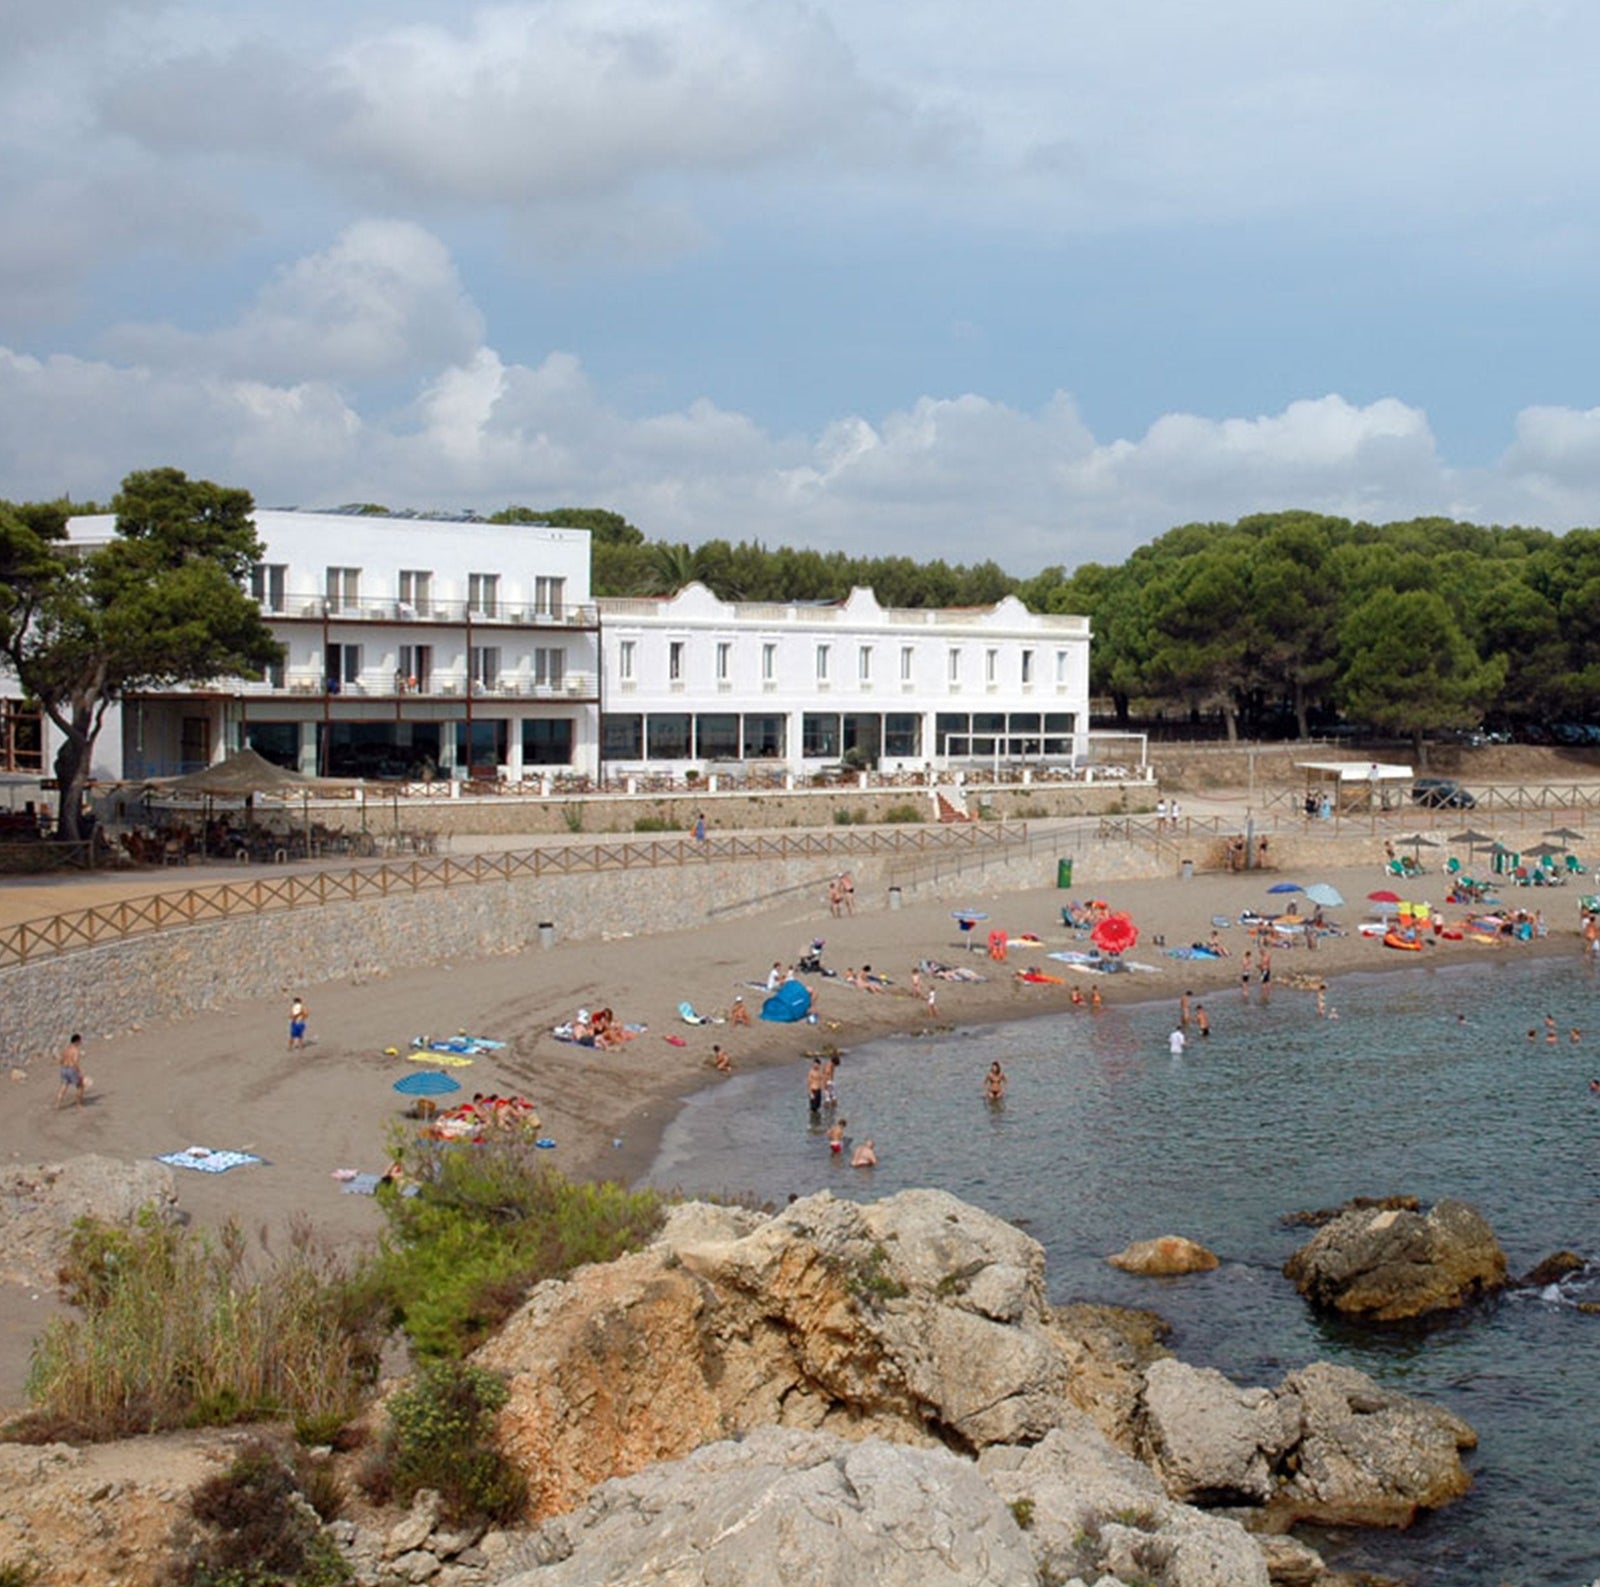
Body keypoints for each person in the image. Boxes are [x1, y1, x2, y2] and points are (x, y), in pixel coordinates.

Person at [55, 1033, 86, 1109]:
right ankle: (79, 1104)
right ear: (77, 1041)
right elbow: (75, 1062)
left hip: (63, 1069)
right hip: (71, 1069)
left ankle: (57, 1104)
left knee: (64, 1086)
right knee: (80, 1086)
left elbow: (61, 1060)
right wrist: (79, 1072)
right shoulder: (76, 1050)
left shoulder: (66, 1049)